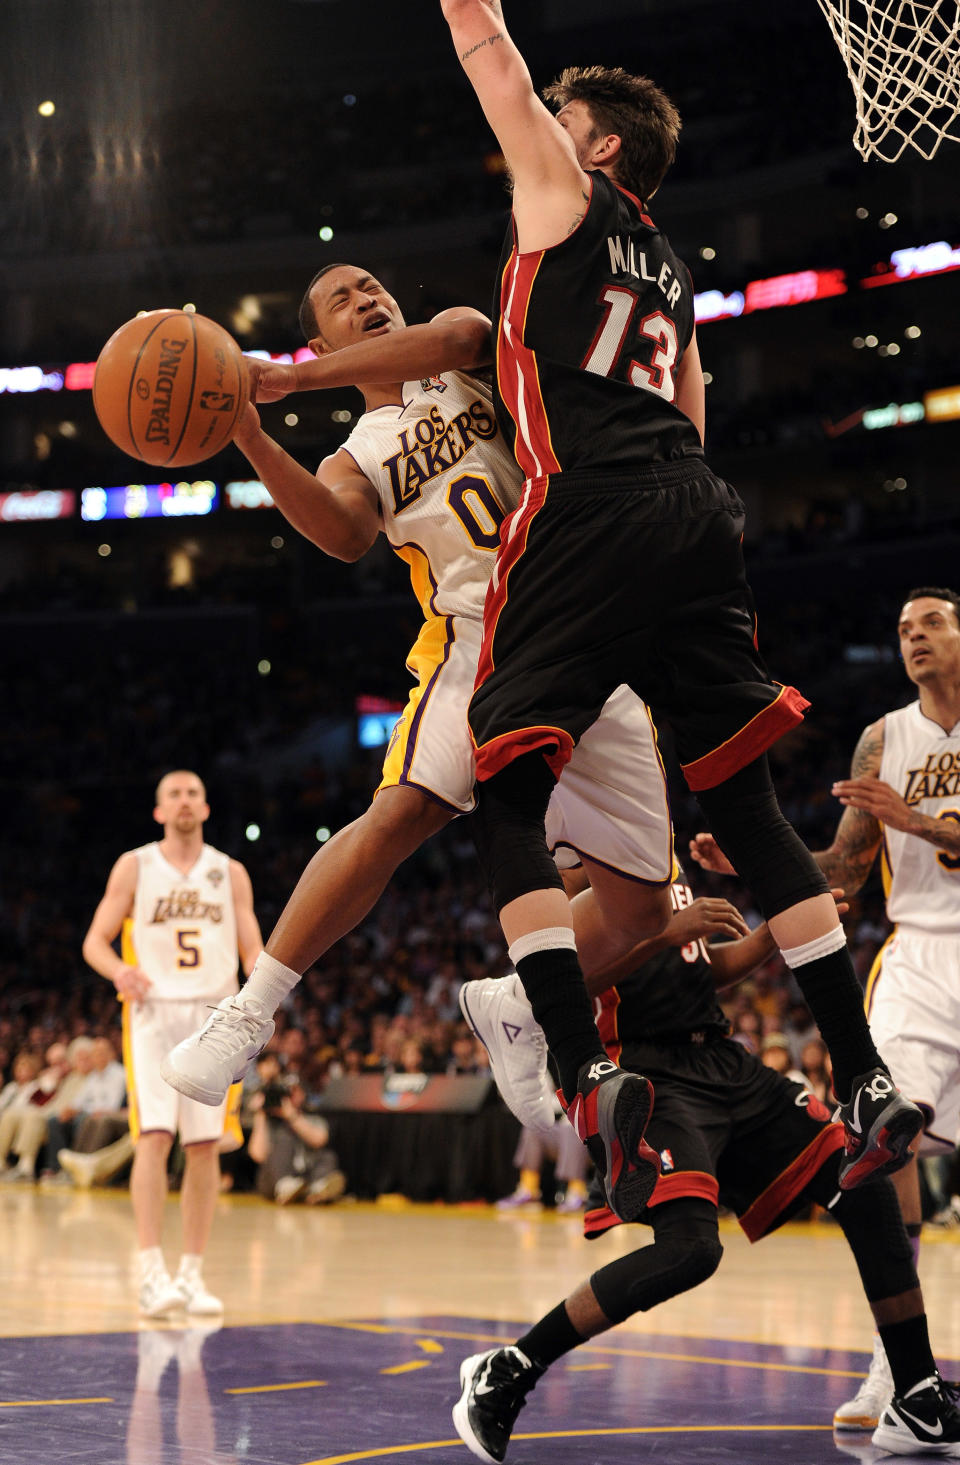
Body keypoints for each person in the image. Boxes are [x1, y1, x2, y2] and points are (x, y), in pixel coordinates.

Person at [434, 2, 922, 1211]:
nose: (541, 124)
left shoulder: (562, 197)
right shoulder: (678, 271)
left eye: (564, 117)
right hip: (697, 511)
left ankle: (579, 1060)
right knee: (745, 803)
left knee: (502, 778)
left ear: (594, 149)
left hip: (592, 501)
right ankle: (859, 1075)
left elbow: (479, 38)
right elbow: (693, 426)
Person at [162, 266, 678, 1207]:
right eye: (342, 301)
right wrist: (247, 432)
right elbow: (343, 533)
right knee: (398, 812)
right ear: (324, 339)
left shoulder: (462, 341)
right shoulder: (356, 452)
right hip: (475, 639)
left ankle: (516, 1001)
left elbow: (453, 340)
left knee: (643, 909)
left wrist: (279, 381)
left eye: (370, 286)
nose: (368, 297)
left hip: (580, 624)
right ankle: (250, 1010)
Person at [453, 869, 960, 1462]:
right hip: (642, 1074)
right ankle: (508, 1368)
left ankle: (916, 1393)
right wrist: (662, 936)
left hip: (719, 1058)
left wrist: (775, 930)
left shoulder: (663, 849)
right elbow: (556, 986)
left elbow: (705, 969)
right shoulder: (573, 859)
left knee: (861, 1172)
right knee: (690, 1249)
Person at [692, 585, 960, 1430]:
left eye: (931, 625)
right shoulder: (885, 736)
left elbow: (906, 826)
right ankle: (900, 1369)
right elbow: (843, 871)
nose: (913, 638)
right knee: (883, 1142)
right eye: (902, 629)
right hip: (918, 954)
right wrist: (757, 863)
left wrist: (915, 819)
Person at [81, 770, 262, 1318]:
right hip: (153, 1011)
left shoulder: (229, 872)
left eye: (192, 794)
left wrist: (263, 994)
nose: (184, 802)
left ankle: (191, 1275)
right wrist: (119, 971)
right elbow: (95, 940)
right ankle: (150, 1270)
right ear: (159, 811)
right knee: (154, 1137)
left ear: (206, 807)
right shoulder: (135, 865)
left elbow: (252, 948)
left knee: (203, 1147)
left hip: (214, 1015)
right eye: (173, 795)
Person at [247, 1073, 345, 1206]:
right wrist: (259, 1115)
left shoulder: (313, 1118)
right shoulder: (269, 1123)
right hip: (275, 1179)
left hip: (306, 1175)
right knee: (284, 1140)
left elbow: (320, 1140)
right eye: (285, 1092)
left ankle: (318, 1188)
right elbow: (258, 1155)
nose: (289, 1096)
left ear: (303, 1094)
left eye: (293, 1091)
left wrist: (292, 1117)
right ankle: (286, 1187)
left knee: (328, 1156)